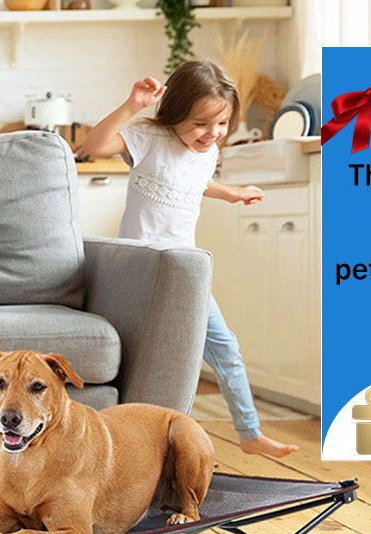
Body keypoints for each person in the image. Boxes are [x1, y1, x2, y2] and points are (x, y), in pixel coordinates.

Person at [76, 61, 299, 459]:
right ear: (175, 112)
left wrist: (229, 192)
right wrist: (132, 104)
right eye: (200, 124)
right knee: (147, 358)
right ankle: (123, 443)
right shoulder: (147, 137)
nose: (211, 134)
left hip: (186, 271)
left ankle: (249, 433)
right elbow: (93, 147)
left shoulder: (207, 151)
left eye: (221, 124)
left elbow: (192, 181)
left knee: (226, 349)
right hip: (141, 270)